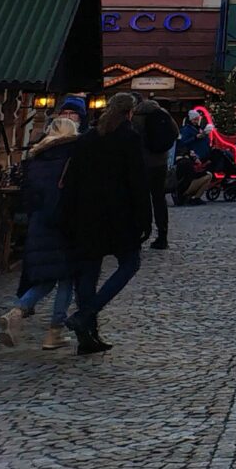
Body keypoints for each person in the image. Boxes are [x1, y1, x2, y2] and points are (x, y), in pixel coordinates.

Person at [60, 92, 152, 356]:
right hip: (118, 215)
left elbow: (72, 179)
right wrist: (145, 218)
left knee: (88, 273)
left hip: (86, 214)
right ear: (129, 113)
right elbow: (137, 181)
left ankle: (87, 336)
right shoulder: (129, 138)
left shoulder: (88, 138)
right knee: (130, 263)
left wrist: (68, 215)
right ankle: (87, 314)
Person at [2, 115, 82, 350]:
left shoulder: (35, 159)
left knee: (47, 277)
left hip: (39, 224)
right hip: (64, 224)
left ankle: (17, 311)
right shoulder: (73, 158)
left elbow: (27, 197)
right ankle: (54, 331)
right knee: (67, 277)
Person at [134, 98, 178, 249]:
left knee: (141, 199)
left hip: (141, 163)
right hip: (160, 163)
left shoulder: (136, 118)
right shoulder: (164, 114)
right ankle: (162, 234)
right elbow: (175, 133)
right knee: (159, 199)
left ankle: (141, 233)